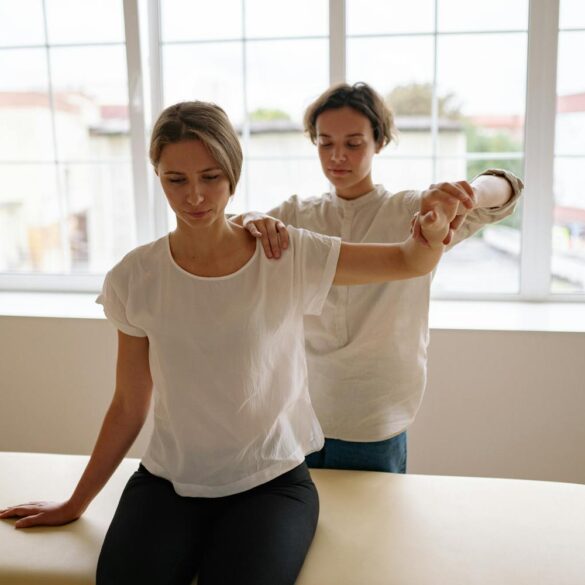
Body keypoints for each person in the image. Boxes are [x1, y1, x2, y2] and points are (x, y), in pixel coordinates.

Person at [0, 100, 456, 585]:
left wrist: (431, 231)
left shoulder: (283, 253)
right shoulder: (134, 278)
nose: (194, 195)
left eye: (211, 177)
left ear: (233, 174)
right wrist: (76, 501)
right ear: (157, 175)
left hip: (272, 485)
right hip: (167, 483)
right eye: (176, 180)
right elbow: (130, 404)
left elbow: (408, 262)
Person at [237, 82, 524, 474]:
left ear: (379, 142)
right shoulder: (298, 215)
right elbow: (232, 233)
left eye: (353, 143)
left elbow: (508, 187)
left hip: (375, 415)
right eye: (325, 143)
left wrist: (464, 194)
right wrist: (251, 220)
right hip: (302, 412)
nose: (338, 156)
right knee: (307, 527)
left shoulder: (416, 211)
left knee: (373, 531)